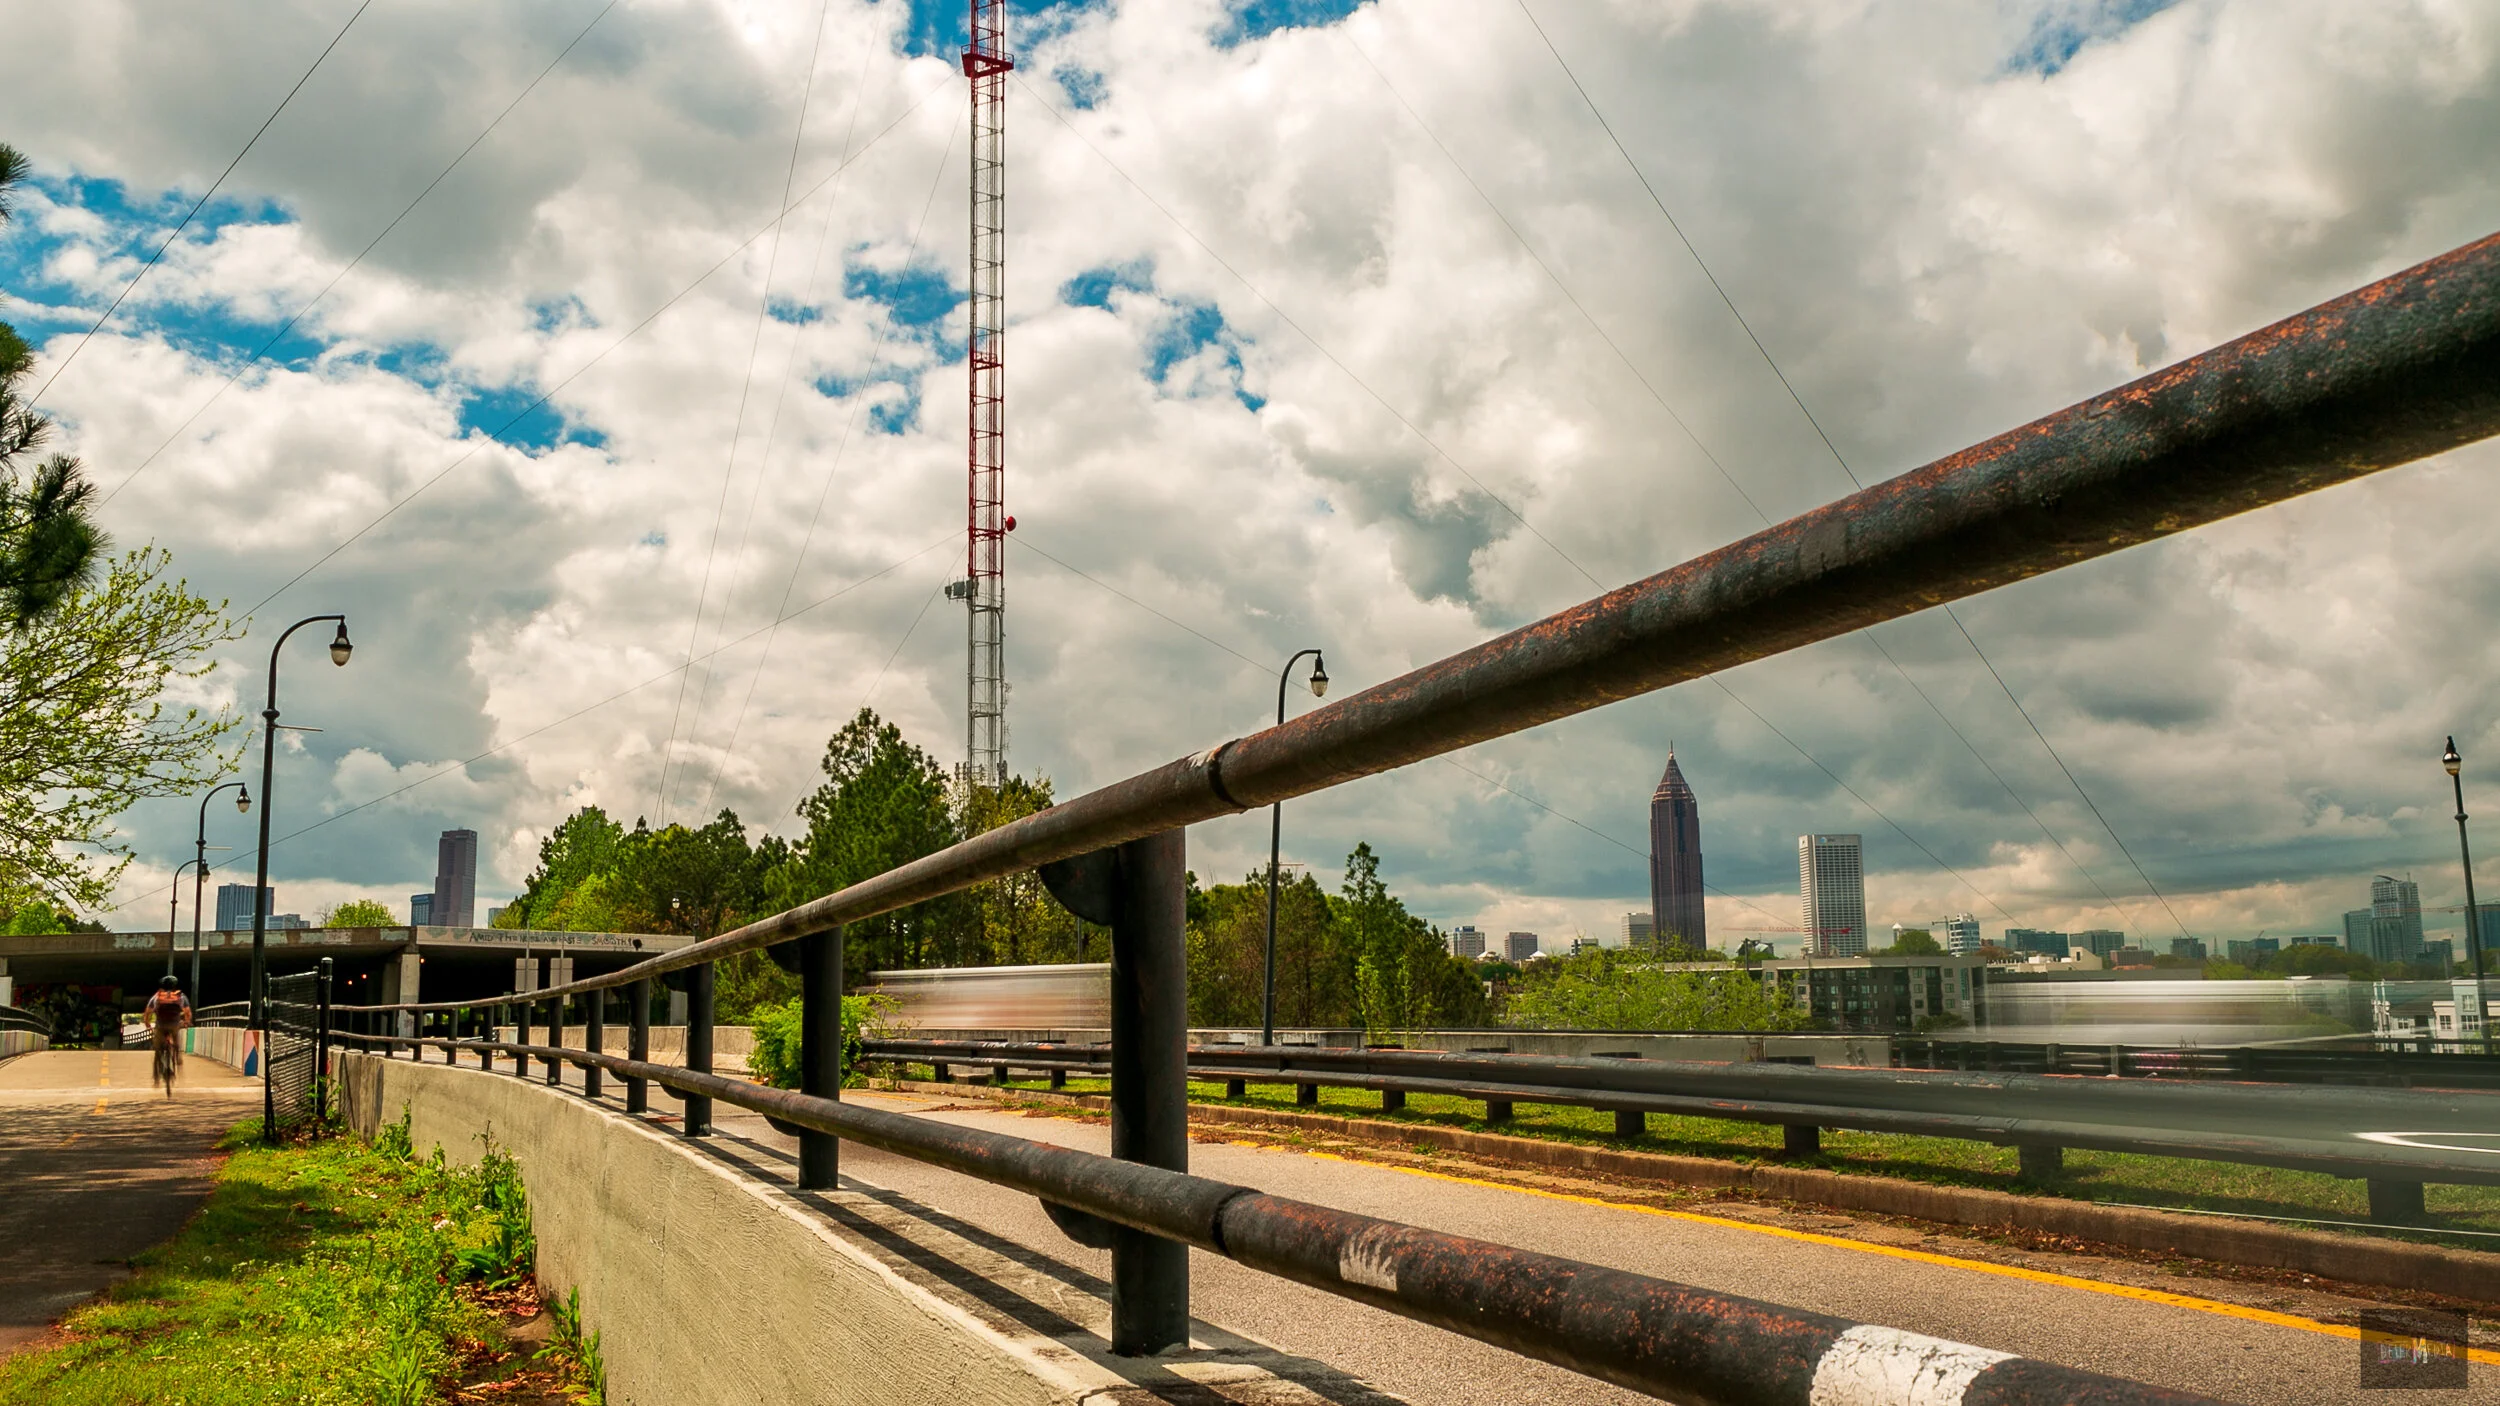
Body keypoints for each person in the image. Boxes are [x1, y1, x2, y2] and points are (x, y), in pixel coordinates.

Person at [145, 976, 190, 1096]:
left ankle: (156, 1077)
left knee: (157, 1049)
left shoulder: (157, 996)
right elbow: (187, 1012)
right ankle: (177, 1055)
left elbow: (148, 1012)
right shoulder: (180, 996)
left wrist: (147, 1022)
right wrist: (186, 1022)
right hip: (174, 1025)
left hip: (161, 1025)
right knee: (176, 1040)